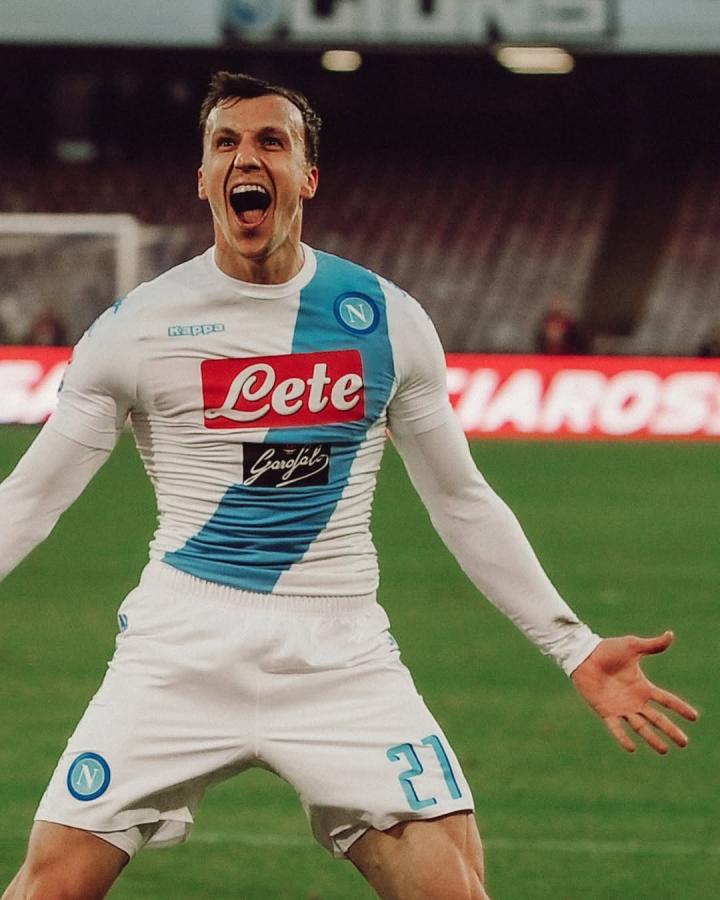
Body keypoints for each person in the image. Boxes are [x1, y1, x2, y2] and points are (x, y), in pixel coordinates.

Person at [1, 72, 697, 900]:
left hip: (340, 651)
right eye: (225, 143)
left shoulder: (386, 317)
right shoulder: (136, 329)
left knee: (453, 888)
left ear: (307, 176)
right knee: (52, 885)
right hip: (180, 643)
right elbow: (31, 497)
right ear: (203, 177)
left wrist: (572, 644)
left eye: (271, 141)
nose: (245, 157)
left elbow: (461, 500)